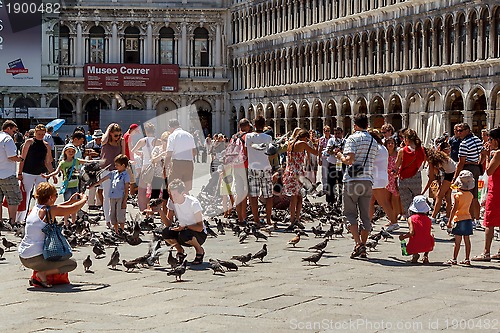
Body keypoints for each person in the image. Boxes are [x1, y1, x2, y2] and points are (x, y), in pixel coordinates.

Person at [18, 182, 87, 288]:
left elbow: (56, 207)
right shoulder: (48, 211)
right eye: (56, 195)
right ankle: (42, 274)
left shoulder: (34, 209)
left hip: (23, 255)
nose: (56, 197)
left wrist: (68, 202)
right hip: (35, 258)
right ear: (50, 197)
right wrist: (84, 199)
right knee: (71, 263)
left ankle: (39, 275)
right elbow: (73, 209)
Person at [334, 114, 378, 259]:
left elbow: (349, 160)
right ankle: (363, 248)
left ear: (355, 125)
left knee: (350, 214)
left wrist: (339, 155)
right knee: (366, 215)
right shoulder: (373, 140)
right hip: (368, 180)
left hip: (353, 180)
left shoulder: (352, 138)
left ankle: (358, 243)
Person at [158, 179, 207, 265]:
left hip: (198, 233)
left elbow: (200, 227)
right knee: (166, 232)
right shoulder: (171, 201)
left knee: (185, 234)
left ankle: (199, 250)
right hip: (182, 229)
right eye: (170, 194)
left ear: (182, 193)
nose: (172, 197)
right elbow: (169, 224)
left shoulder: (193, 203)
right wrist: (160, 211)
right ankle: (180, 250)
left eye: (174, 195)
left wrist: (185, 226)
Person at [472, 127, 500, 262]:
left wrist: (488, 156)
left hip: (496, 190)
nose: (489, 142)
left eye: (491, 139)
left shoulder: (498, 154)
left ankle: (486, 252)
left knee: (489, 221)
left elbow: (489, 171)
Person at [18, 124, 56, 222]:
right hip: (28, 172)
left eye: (43, 134)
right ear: (35, 133)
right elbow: (23, 158)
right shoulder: (29, 142)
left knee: (42, 195)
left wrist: (53, 174)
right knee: (25, 196)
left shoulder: (46, 145)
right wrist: (19, 173)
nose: (40, 136)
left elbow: (48, 162)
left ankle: (38, 217)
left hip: (41, 173)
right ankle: (21, 219)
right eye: (39, 134)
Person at [283, 129, 318, 230]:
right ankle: (294, 220)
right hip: (297, 173)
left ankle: (295, 219)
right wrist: (314, 142)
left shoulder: (290, 143)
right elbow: (315, 152)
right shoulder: (302, 143)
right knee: (296, 198)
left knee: (297, 197)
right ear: (305, 138)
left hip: (289, 172)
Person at [42, 144, 85, 226]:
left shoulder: (76, 161)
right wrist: (48, 176)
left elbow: (85, 162)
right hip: (67, 186)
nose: (71, 153)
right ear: (65, 152)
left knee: (74, 205)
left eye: (72, 151)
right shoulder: (63, 163)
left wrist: (96, 162)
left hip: (75, 186)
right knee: (67, 205)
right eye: (69, 151)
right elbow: (56, 171)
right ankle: (66, 224)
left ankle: (73, 223)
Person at [453, 123, 483, 225]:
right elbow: (483, 153)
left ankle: (468, 219)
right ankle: (477, 219)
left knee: (466, 195)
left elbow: (461, 163)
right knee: (474, 195)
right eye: (457, 131)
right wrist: (479, 162)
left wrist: (455, 177)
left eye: (460, 131)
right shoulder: (477, 140)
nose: (458, 133)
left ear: (467, 130)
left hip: (467, 170)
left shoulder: (464, 143)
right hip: (476, 169)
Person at [90, 154, 130, 233]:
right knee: (113, 214)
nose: (116, 166)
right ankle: (116, 231)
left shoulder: (126, 175)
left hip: (120, 197)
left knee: (120, 215)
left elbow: (126, 189)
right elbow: (103, 179)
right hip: (112, 196)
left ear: (123, 165)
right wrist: (93, 184)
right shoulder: (113, 173)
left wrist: (125, 201)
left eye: (117, 165)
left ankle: (122, 230)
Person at [245, 116, 273, 227]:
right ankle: (268, 219)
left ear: (254, 125)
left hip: (253, 168)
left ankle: (256, 219)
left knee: (253, 195)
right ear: (264, 125)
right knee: (268, 195)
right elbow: (271, 153)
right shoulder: (268, 138)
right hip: (266, 167)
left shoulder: (248, 136)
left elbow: (247, 149)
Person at [443, 170, 475, 266]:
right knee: (467, 240)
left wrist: (449, 221)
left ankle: (454, 258)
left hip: (459, 219)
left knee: (457, 241)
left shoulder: (457, 195)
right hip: (468, 218)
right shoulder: (470, 195)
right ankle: (467, 258)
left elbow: (454, 209)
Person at [368, 130, 397, 230]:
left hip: (376, 178)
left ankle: (394, 222)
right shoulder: (382, 147)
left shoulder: (374, 148)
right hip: (380, 177)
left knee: (383, 202)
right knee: (370, 201)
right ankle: (368, 222)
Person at [394, 129, 426, 217]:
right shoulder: (422, 150)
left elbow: (396, 166)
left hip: (404, 178)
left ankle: (411, 222)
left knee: (407, 204)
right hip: (416, 178)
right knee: (417, 201)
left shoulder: (402, 151)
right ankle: (419, 220)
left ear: (406, 139)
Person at [424, 142, 456, 224]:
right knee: (447, 197)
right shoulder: (437, 156)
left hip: (450, 174)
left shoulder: (432, 160)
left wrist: (423, 192)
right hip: (451, 172)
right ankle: (448, 216)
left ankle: (433, 217)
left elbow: (431, 178)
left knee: (439, 195)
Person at [100, 123, 126, 228]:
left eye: (119, 135)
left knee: (119, 195)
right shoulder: (106, 141)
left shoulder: (121, 141)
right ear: (110, 134)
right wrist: (109, 128)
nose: (118, 137)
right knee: (107, 196)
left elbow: (123, 155)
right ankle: (108, 219)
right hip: (106, 170)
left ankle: (117, 219)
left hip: (118, 171)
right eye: (115, 135)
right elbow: (102, 141)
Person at [0, 120, 24, 224]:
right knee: (14, 198)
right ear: (8, 128)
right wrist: (20, 159)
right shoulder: (8, 139)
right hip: (7, 174)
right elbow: (11, 156)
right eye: (14, 131)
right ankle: (12, 222)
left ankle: (0, 221)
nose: (14, 134)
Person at [131, 122, 159, 212]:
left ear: (146, 131)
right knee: (154, 188)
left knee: (142, 189)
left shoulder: (143, 141)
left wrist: (140, 153)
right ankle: (153, 207)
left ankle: (143, 208)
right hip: (155, 166)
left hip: (145, 166)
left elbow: (133, 151)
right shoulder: (157, 141)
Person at [398, 195, 434, 264]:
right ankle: (425, 255)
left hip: (415, 246)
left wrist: (403, 237)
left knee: (415, 237)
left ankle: (415, 254)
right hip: (427, 245)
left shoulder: (411, 218)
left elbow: (411, 232)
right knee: (431, 235)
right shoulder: (428, 219)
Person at [165, 119, 196, 193]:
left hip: (177, 163)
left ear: (171, 127)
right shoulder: (189, 135)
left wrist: (165, 166)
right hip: (189, 163)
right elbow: (194, 152)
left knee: (174, 187)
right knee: (186, 188)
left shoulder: (172, 136)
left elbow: (169, 153)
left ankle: (176, 203)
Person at [230, 118, 250, 225]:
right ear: (247, 126)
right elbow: (247, 152)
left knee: (238, 191)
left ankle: (239, 217)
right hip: (244, 165)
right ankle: (244, 216)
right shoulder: (246, 137)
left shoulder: (233, 137)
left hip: (235, 165)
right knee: (244, 192)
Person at [325, 127, 346, 205]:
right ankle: (330, 201)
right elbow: (328, 151)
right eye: (335, 133)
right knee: (330, 183)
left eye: (338, 133)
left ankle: (341, 200)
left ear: (342, 133)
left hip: (342, 164)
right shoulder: (331, 140)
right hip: (332, 165)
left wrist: (341, 151)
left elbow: (347, 151)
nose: (337, 135)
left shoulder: (345, 141)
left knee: (341, 183)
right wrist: (333, 151)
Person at [384, 137, 402, 225]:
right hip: (386, 179)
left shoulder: (398, 154)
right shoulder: (384, 154)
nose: (390, 145)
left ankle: (395, 218)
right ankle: (391, 219)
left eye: (392, 143)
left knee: (395, 200)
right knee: (387, 200)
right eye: (388, 143)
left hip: (395, 178)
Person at [86, 129, 104, 209]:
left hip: (101, 165)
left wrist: (98, 154)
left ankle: (99, 203)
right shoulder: (90, 144)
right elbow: (86, 155)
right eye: (97, 138)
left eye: (99, 138)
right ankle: (91, 203)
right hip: (92, 166)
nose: (98, 140)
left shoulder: (104, 145)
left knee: (100, 186)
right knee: (92, 185)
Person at [317, 125, 331, 195]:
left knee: (332, 172)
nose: (327, 132)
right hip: (324, 157)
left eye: (328, 131)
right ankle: (324, 188)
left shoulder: (333, 138)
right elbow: (319, 150)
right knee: (324, 173)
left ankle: (331, 187)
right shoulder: (321, 139)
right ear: (323, 131)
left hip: (331, 158)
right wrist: (319, 159)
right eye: (326, 131)